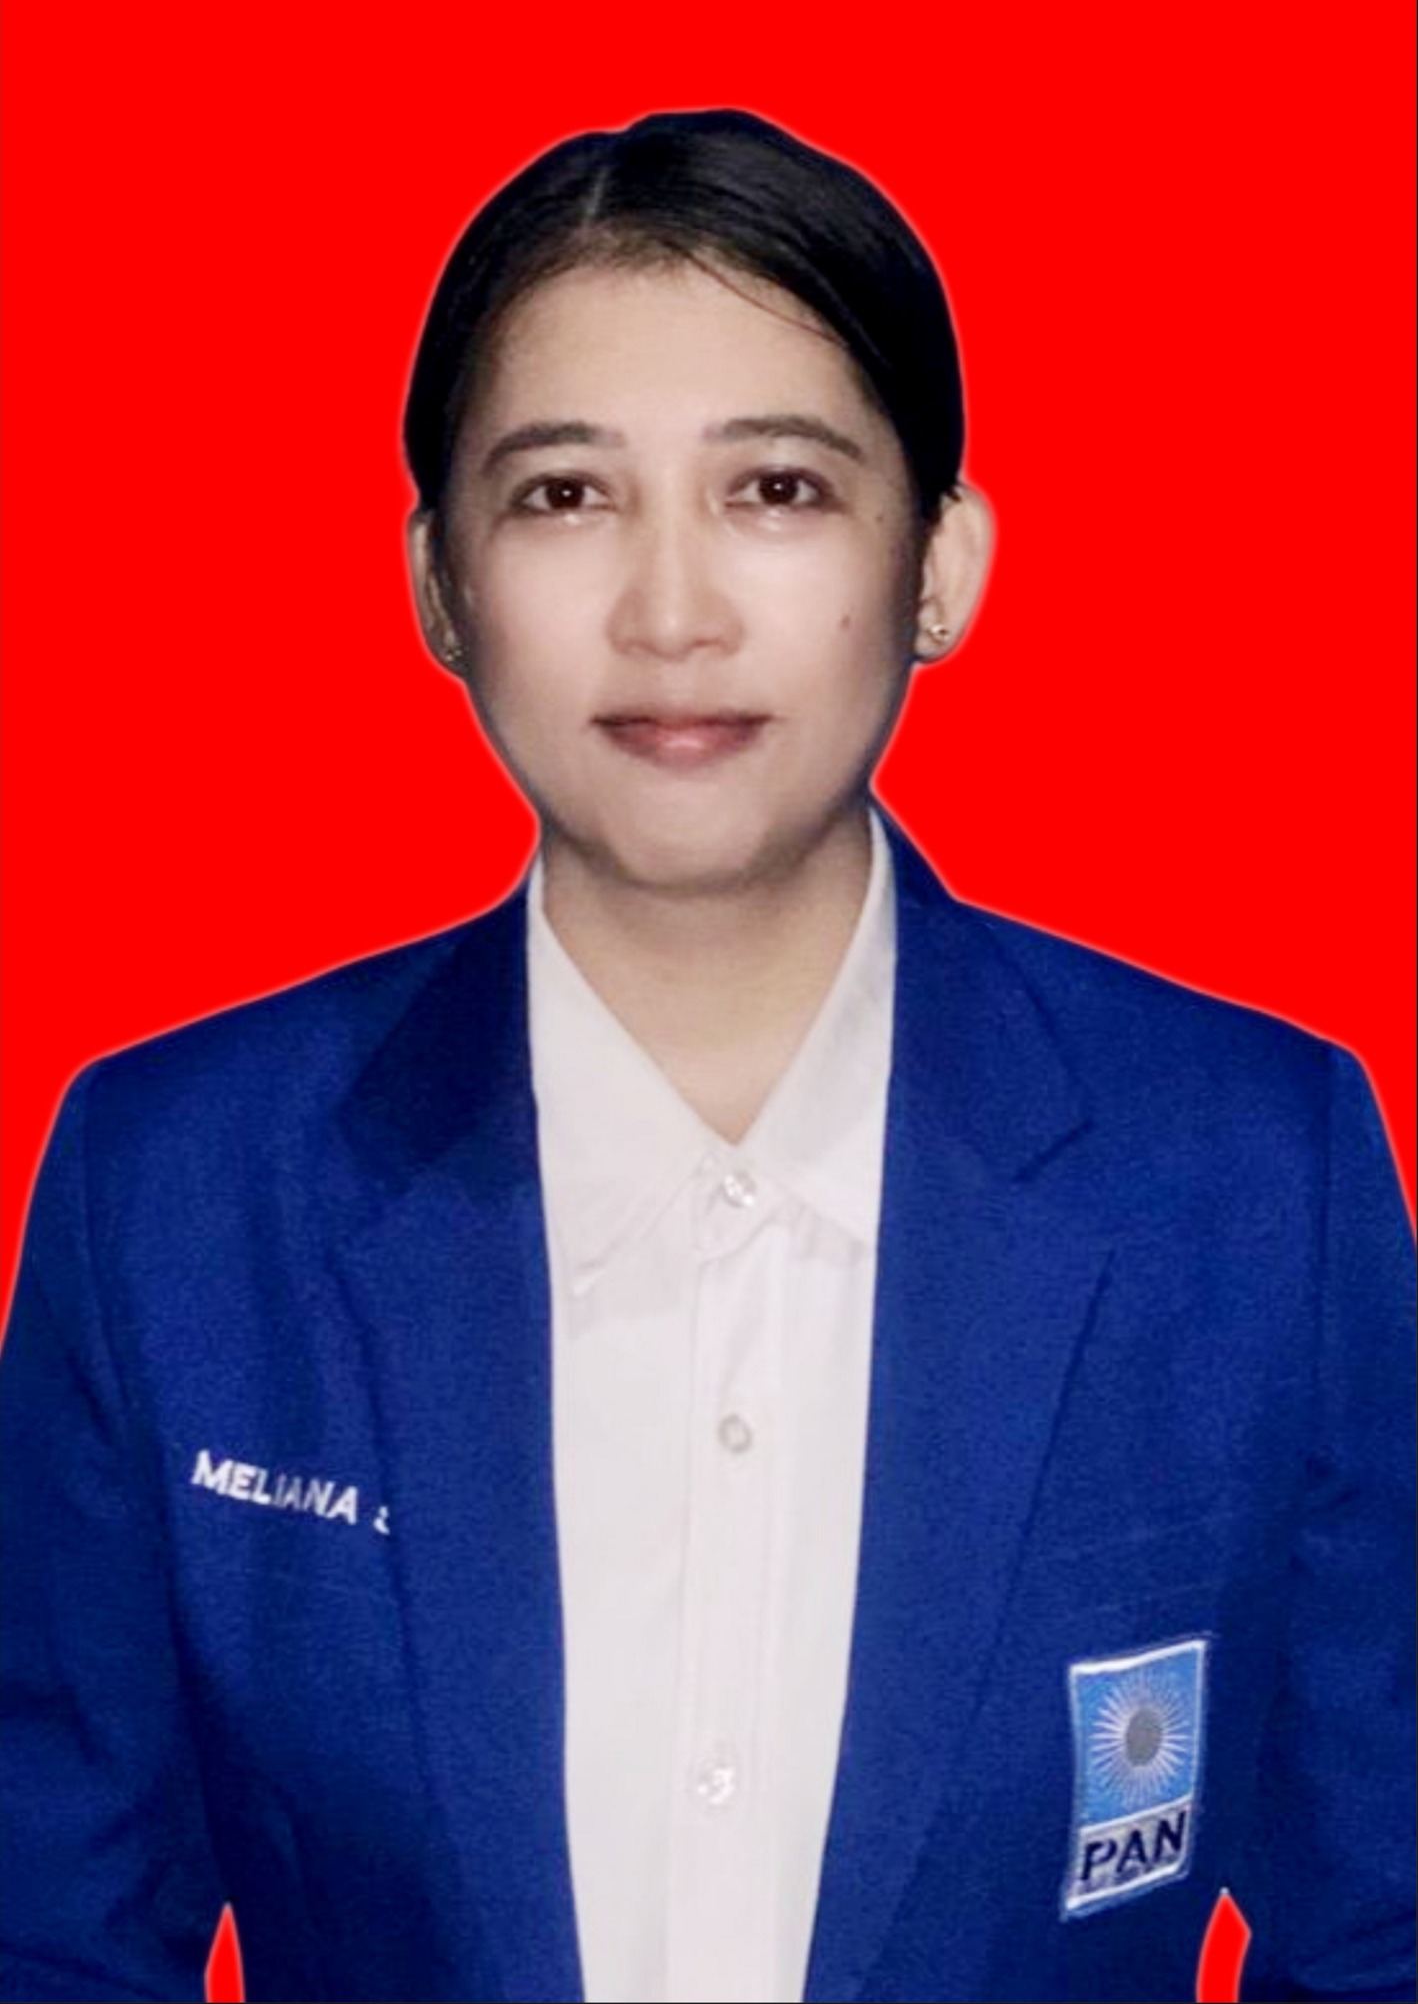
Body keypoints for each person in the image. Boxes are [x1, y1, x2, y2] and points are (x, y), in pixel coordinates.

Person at [0, 109, 1412, 2004]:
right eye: (564, 496)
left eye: (778, 488)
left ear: (939, 562)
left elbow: (1380, 1925)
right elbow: (53, 1936)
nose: (670, 616)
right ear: (437, 583)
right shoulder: (175, 1191)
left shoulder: (1249, 1179)